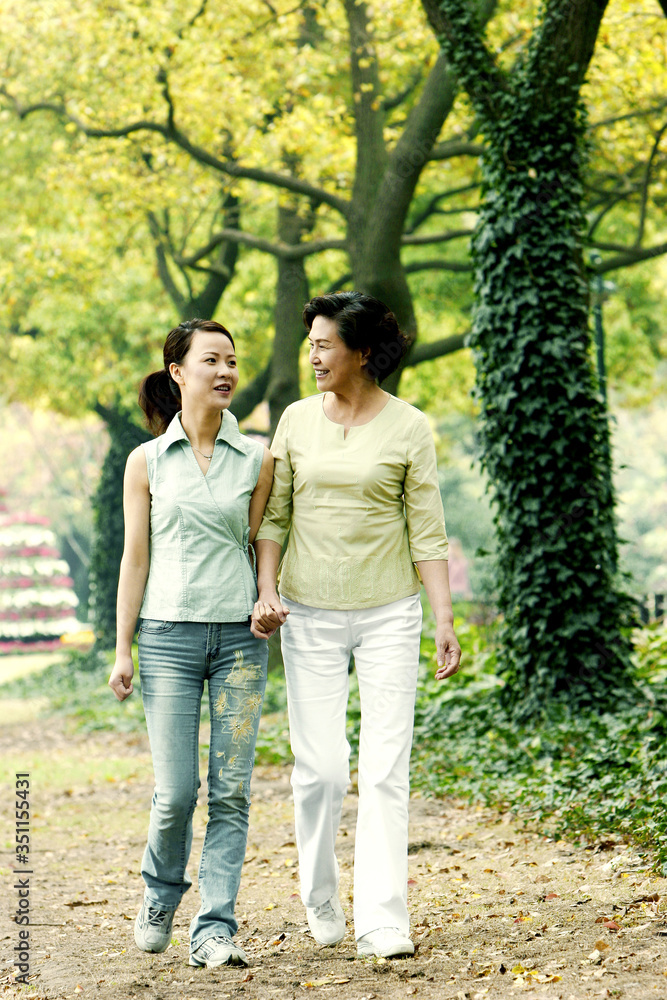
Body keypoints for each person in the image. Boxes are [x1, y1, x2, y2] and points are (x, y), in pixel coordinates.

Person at [251, 292, 461, 959]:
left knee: (382, 770)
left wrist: (443, 620)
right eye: (309, 344)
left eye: (323, 345)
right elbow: (274, 518)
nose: (312, 355)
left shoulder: (408, 426)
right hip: (307, 610)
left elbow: (426, 528)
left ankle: (382, 919)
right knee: (319, 772)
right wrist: (265, 591)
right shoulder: (293, 420)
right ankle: (320, 896)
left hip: (389, 613)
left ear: (361, 352)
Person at [108, 318, 274, 969]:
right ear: (178, 372)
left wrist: (266, 594)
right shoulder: (146, 461)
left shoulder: (258, 458)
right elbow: (134, 559)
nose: (226, 371)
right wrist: (123, 647)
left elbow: (264, 541)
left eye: (231, 360)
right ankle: (159, 895)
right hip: (167, 641)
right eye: (212, 360)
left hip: (239, 641)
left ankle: (214, 928)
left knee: (231, 790)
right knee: (176, 791)